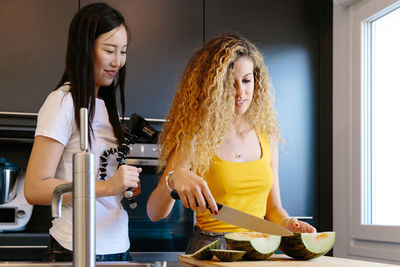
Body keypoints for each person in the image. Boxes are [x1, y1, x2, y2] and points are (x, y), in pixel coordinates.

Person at [146, 34, 316, 253]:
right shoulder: (195, 137)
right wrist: (172, 180)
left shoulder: (266, 135)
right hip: (212, 249)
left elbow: (273, 208)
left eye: (246, 80)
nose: (240, 92)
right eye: (229, 83)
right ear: (212, 86)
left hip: (259, 249)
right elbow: (154, 212)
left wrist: (290, 226)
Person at [24, 3, 141, 262]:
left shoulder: (106, 107)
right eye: (109, 50)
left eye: (123, 52)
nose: (118, 61)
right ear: (84, 48)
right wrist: (108, 186)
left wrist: (123, 187)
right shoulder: (63, 102)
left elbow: (106, 182)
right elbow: (34, 188)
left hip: (119, 247)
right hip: (75, 248)